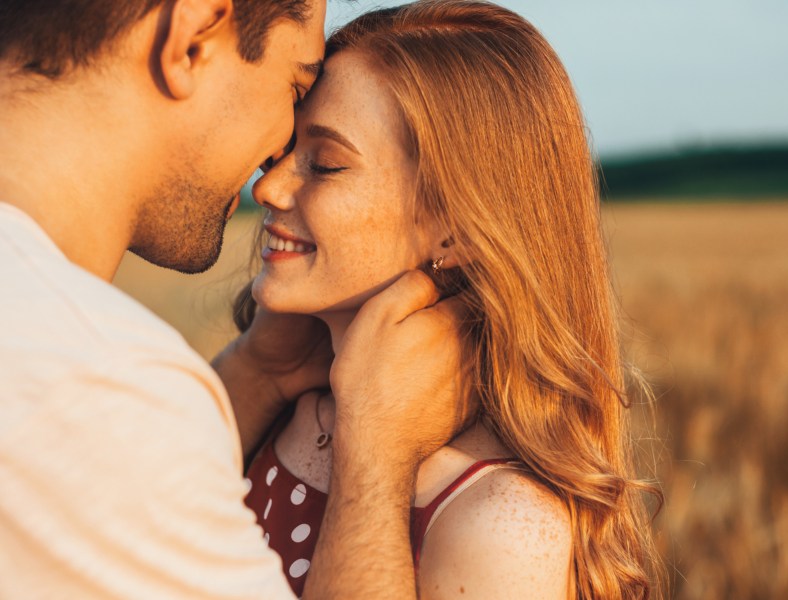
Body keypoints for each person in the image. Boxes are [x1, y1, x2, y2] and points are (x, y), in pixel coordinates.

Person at [0, 1, 468, 598]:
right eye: (295, 84)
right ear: (191, 40)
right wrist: (376, 456)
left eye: (322, 162)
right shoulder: (96, 388)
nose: (270, 175)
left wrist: (259, 371)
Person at [238, 1, 662, 598]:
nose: (269, 186)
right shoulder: (279, 405)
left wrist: (375, 456)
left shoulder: (500, 522)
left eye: (326, 164)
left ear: (458, 227)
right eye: (281, 153)